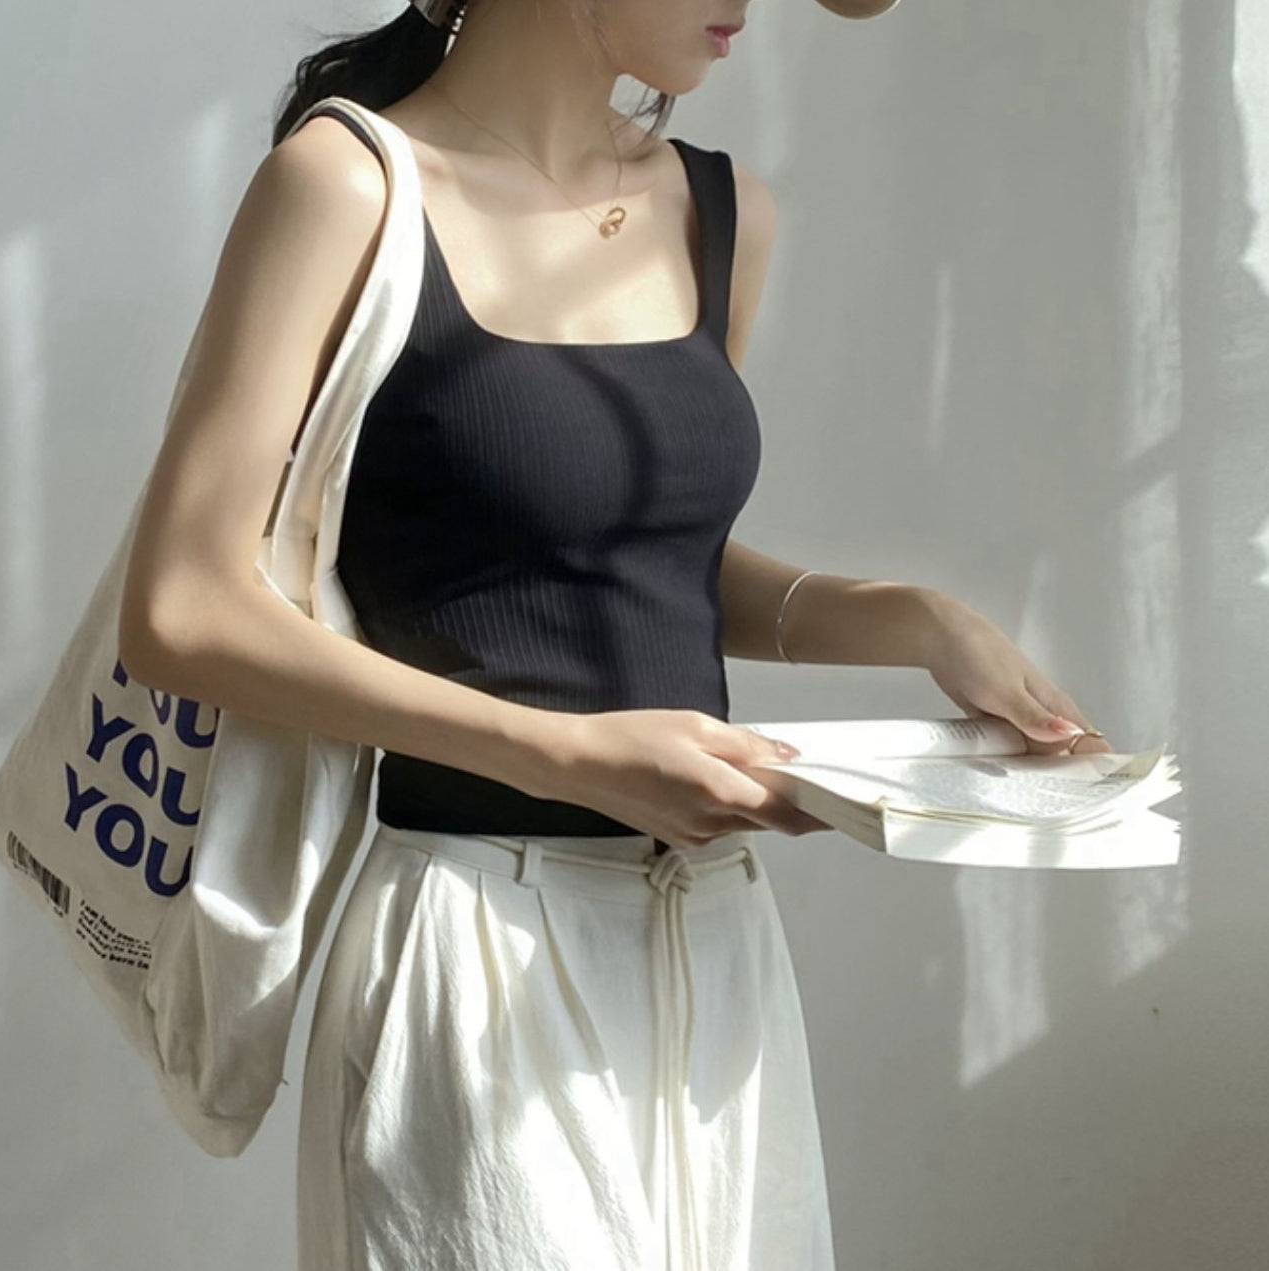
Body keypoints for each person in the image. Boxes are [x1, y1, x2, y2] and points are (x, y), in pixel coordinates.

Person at [117, 0, 1112, 1267]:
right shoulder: (346, 186)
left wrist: (911, 618)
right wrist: (564, 753)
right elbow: (184, 606)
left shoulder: (723, 210)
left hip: (715, 944)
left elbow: (628, 556)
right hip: (475, 941)